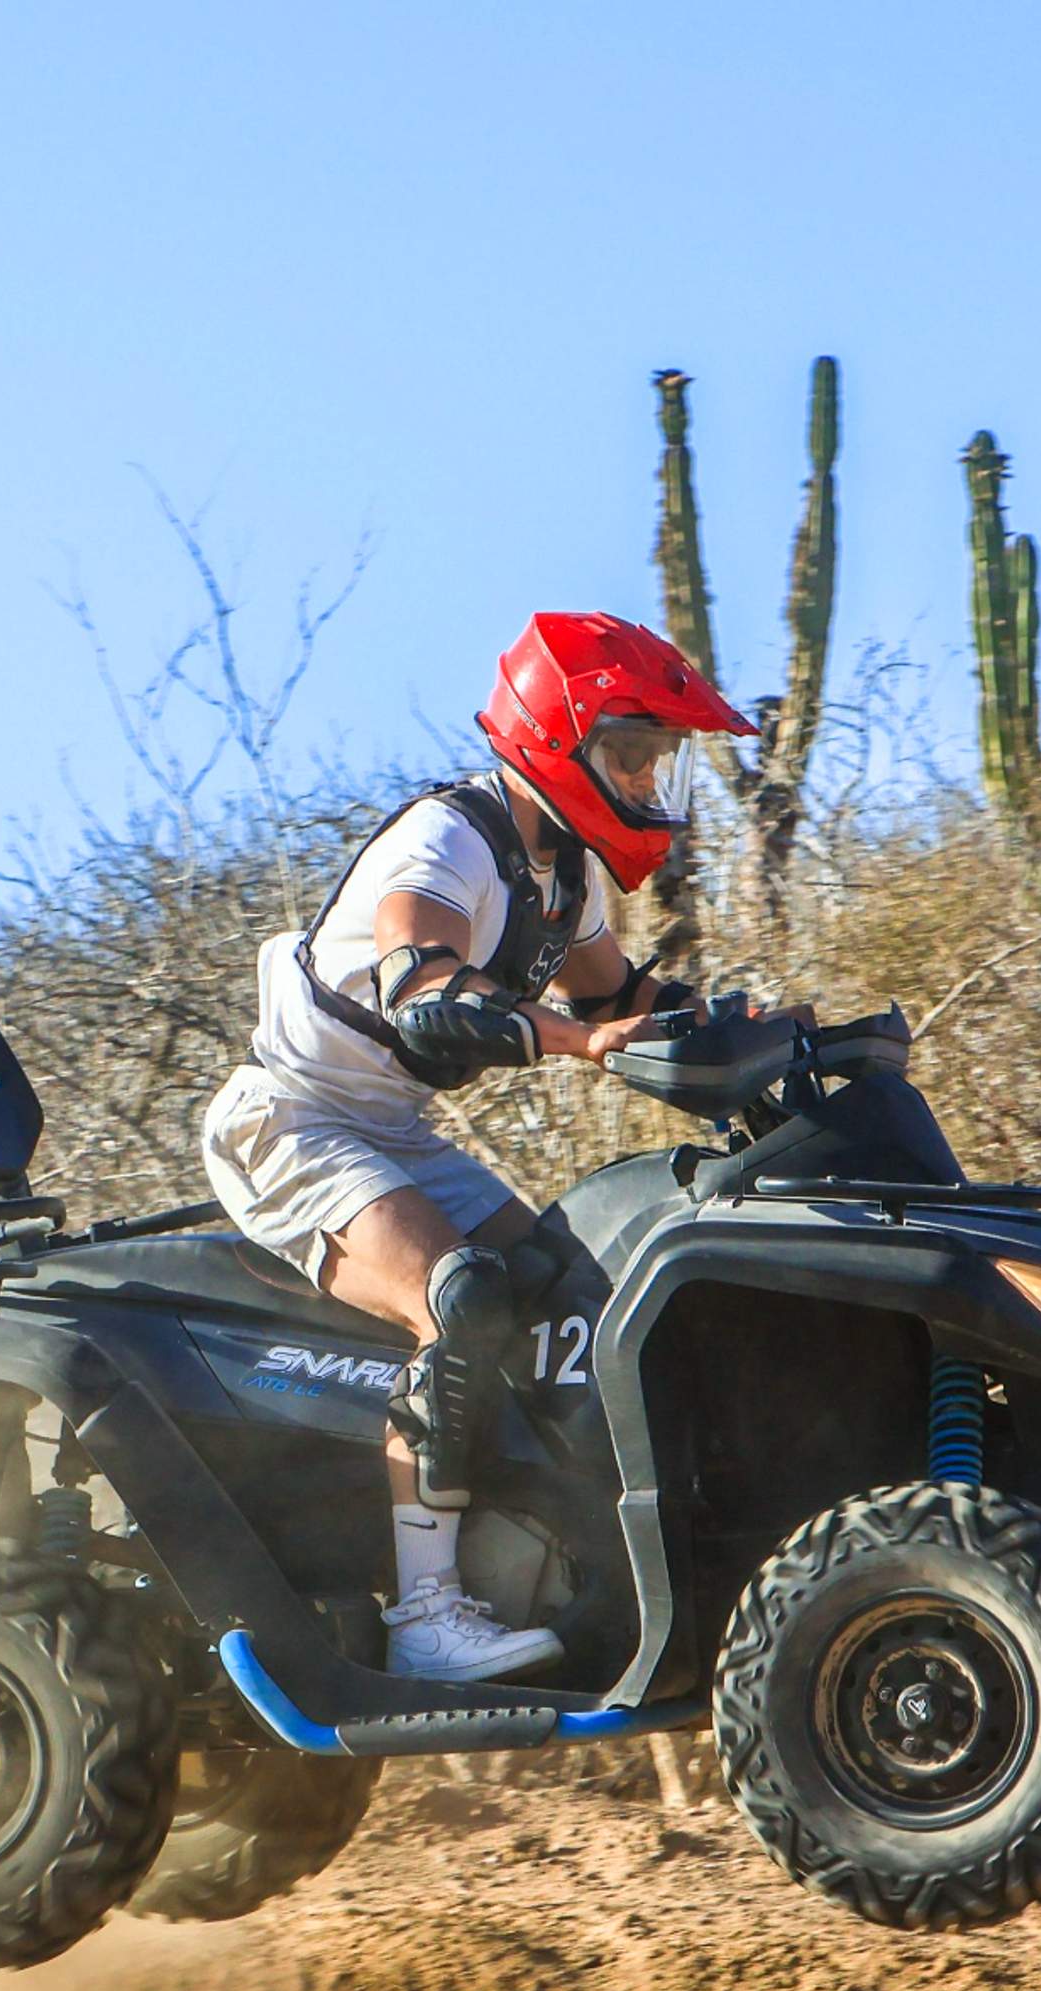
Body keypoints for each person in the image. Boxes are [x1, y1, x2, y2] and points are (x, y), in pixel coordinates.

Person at [200, 610, 755, 1681]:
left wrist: (780, 1041)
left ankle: (552, 1558)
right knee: (465, 1299)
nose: (648, 784)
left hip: (391, 1131)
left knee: (568, 1285)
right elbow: (424, 988)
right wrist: (585, 1043)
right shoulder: (449, 841)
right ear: (562, 740)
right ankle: (426, 1618)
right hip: (293, 1120)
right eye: (631, 757)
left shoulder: (566, 873)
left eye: (659, 764)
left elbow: (626, 995)